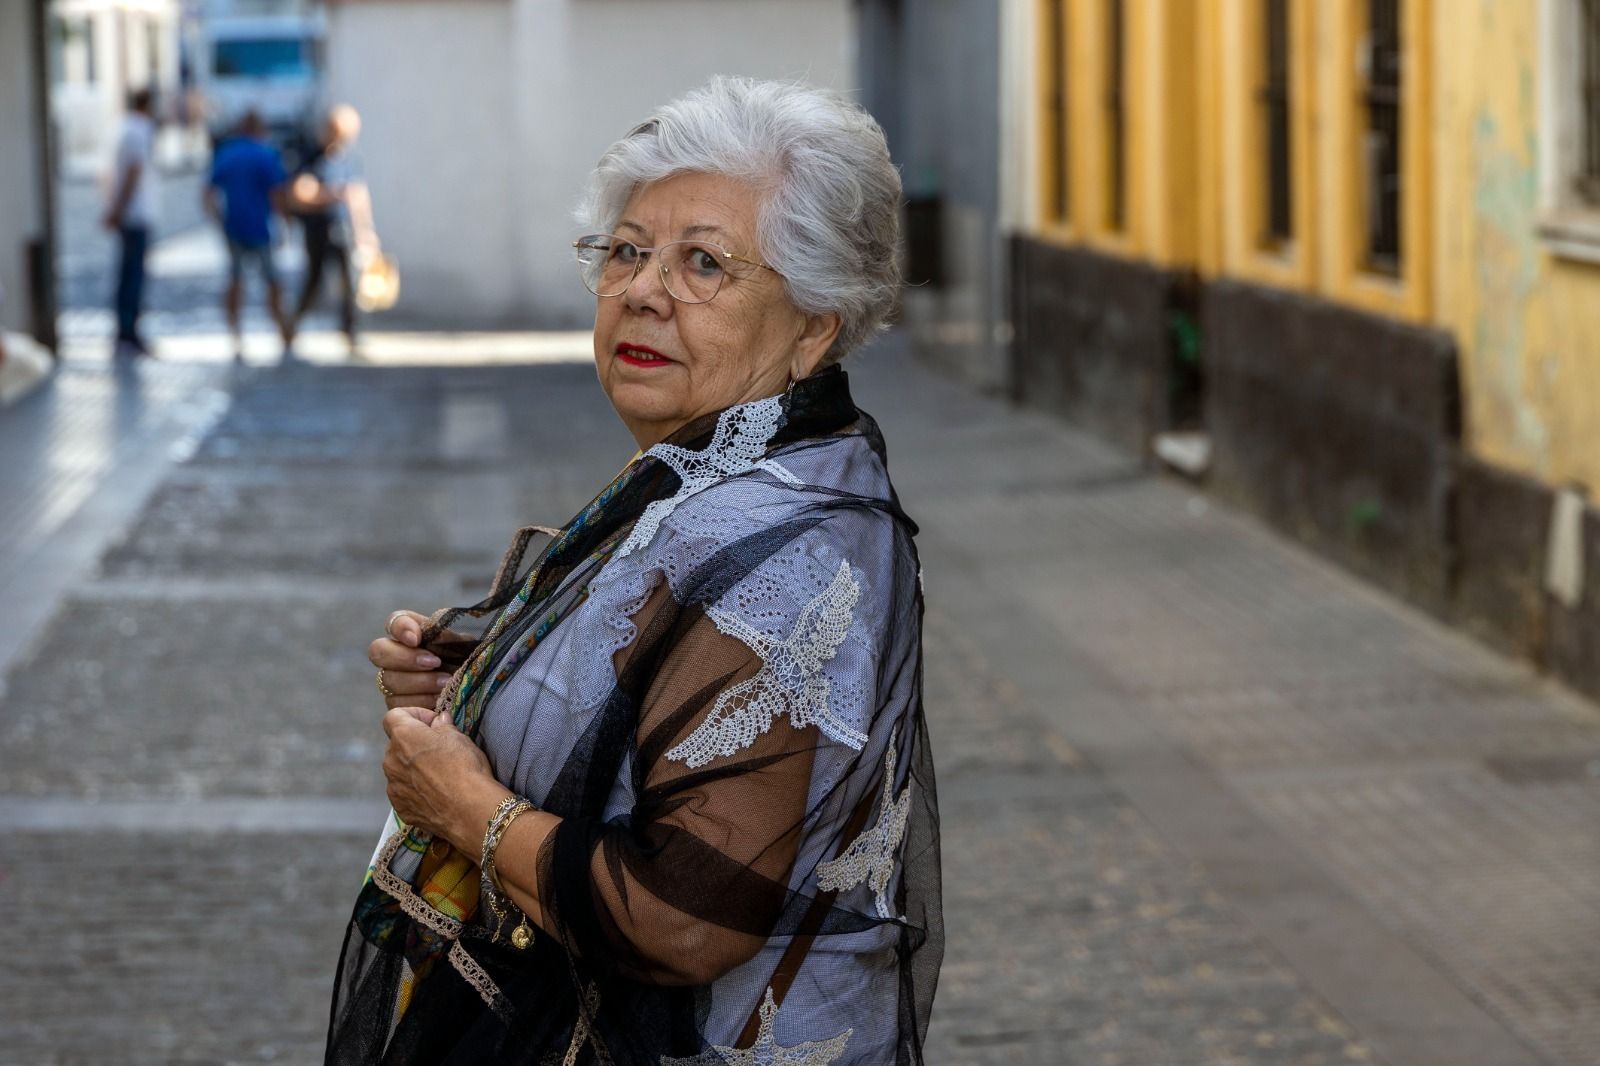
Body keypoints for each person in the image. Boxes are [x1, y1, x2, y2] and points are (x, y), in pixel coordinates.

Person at [328, 77, 941, 1064]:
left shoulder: (779, 549)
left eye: (703, 262)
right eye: (625, 251)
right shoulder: (706, 472)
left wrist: (465, 807)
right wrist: (480, 689)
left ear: (814, 325)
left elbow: (687, 918)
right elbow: (639, 716)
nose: (643, 291)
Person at [286, 104, 378, 355]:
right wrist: (331, 195)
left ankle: (351, 332)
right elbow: (298, 192)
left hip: (343, 228)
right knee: (314, 280)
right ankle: (291, 326)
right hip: (318, 227)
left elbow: (358, 195)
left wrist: (366, 230)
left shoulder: (350, 158)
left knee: (350, 282)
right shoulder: (310, 155)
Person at [204, 111, 290, 359]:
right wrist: (284, 222)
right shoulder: (265, 154)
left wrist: (219, 220)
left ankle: (235, 333)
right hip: (260, 227)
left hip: (234, 226)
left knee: (236, 279)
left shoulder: (228, 153)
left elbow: (207, 193)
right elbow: (277, 193)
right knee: (272, 279)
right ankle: (281, 328)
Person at [103, 88, 157, 357]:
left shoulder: (122, 128)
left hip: (128, 212)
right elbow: (134, 171)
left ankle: (125, 330)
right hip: (136, 213)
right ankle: (128, 331)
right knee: (133, 275)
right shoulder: (139, 130)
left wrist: (113, 207)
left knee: (126, 273)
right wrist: (120, 208)